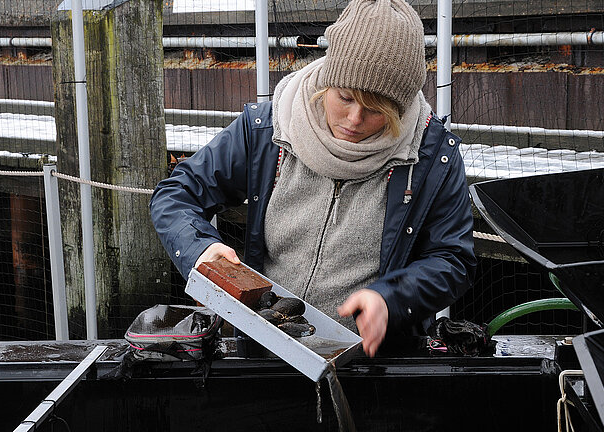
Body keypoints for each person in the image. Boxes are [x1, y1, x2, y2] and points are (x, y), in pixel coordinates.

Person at [150, 0, 476, 357]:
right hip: (265, 351)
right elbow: (176, 193)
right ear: (326, 81)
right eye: (345, 98)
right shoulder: (267, 129)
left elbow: (452, 259)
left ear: (400, 106)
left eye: (375, 110)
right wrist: (199, 251)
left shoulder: (433, 156)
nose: (353, 119)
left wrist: (392, 299)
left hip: (369, 363)